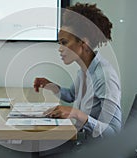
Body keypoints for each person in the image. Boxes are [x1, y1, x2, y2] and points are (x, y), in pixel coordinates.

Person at [34, 3, 122, 142]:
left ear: (84, 43)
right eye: (59, 43)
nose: (60, 49)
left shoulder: (104, 77)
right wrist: (50, 85)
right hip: (81, 141)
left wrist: (77, 114)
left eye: (64, 42)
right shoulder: (84, 70)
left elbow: (114, 133)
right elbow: (70, 95)